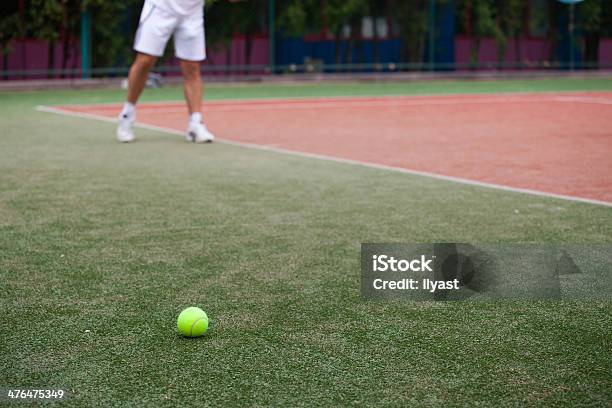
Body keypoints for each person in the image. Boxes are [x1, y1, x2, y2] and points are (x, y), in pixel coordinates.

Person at [117, 0, 238, 143]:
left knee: (192, 67)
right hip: (160, 8)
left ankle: (195, 123)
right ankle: (127, 114)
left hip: (192, 13)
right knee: (145, 61)